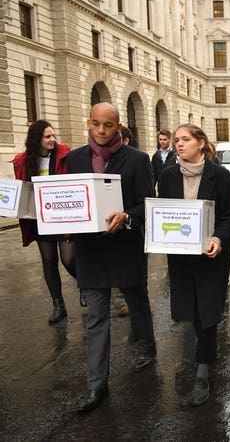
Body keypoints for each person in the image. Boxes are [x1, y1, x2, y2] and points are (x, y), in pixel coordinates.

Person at [67, 102, 157, 413]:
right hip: (90, 251)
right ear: (88, 123)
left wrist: (127, 216)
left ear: (118, 127)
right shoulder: (74, 158)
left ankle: (147, 348)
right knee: (96, 317)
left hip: (125, 247)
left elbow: (147, 204)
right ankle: (96, 387)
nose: (102, 131)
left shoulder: (138, 159)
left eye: (108, 125)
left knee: (137, 301)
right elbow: (67, 198)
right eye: (96, 124)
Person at [158, 123, 230, 405]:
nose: (179, 144)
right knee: (189, 310)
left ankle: (203, 371)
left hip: (210, 256)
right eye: (176, 140)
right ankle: (204, 347)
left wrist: (218, 238)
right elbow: (162, 214)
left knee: (207, 310)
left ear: (201, 143)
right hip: (180, 256)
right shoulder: (168, 176)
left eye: (185, 139)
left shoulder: (220, 176)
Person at [11, 120, 77, 324]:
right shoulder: (23, 161)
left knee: (68, 259)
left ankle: (86, 286)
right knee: (48, 261)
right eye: (47, 136)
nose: (52, 140)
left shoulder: (65, 154)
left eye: (53, 136)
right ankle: (58, 306)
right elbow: (21, 188)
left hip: (63, 215)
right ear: (36, 139)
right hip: (40, 218)